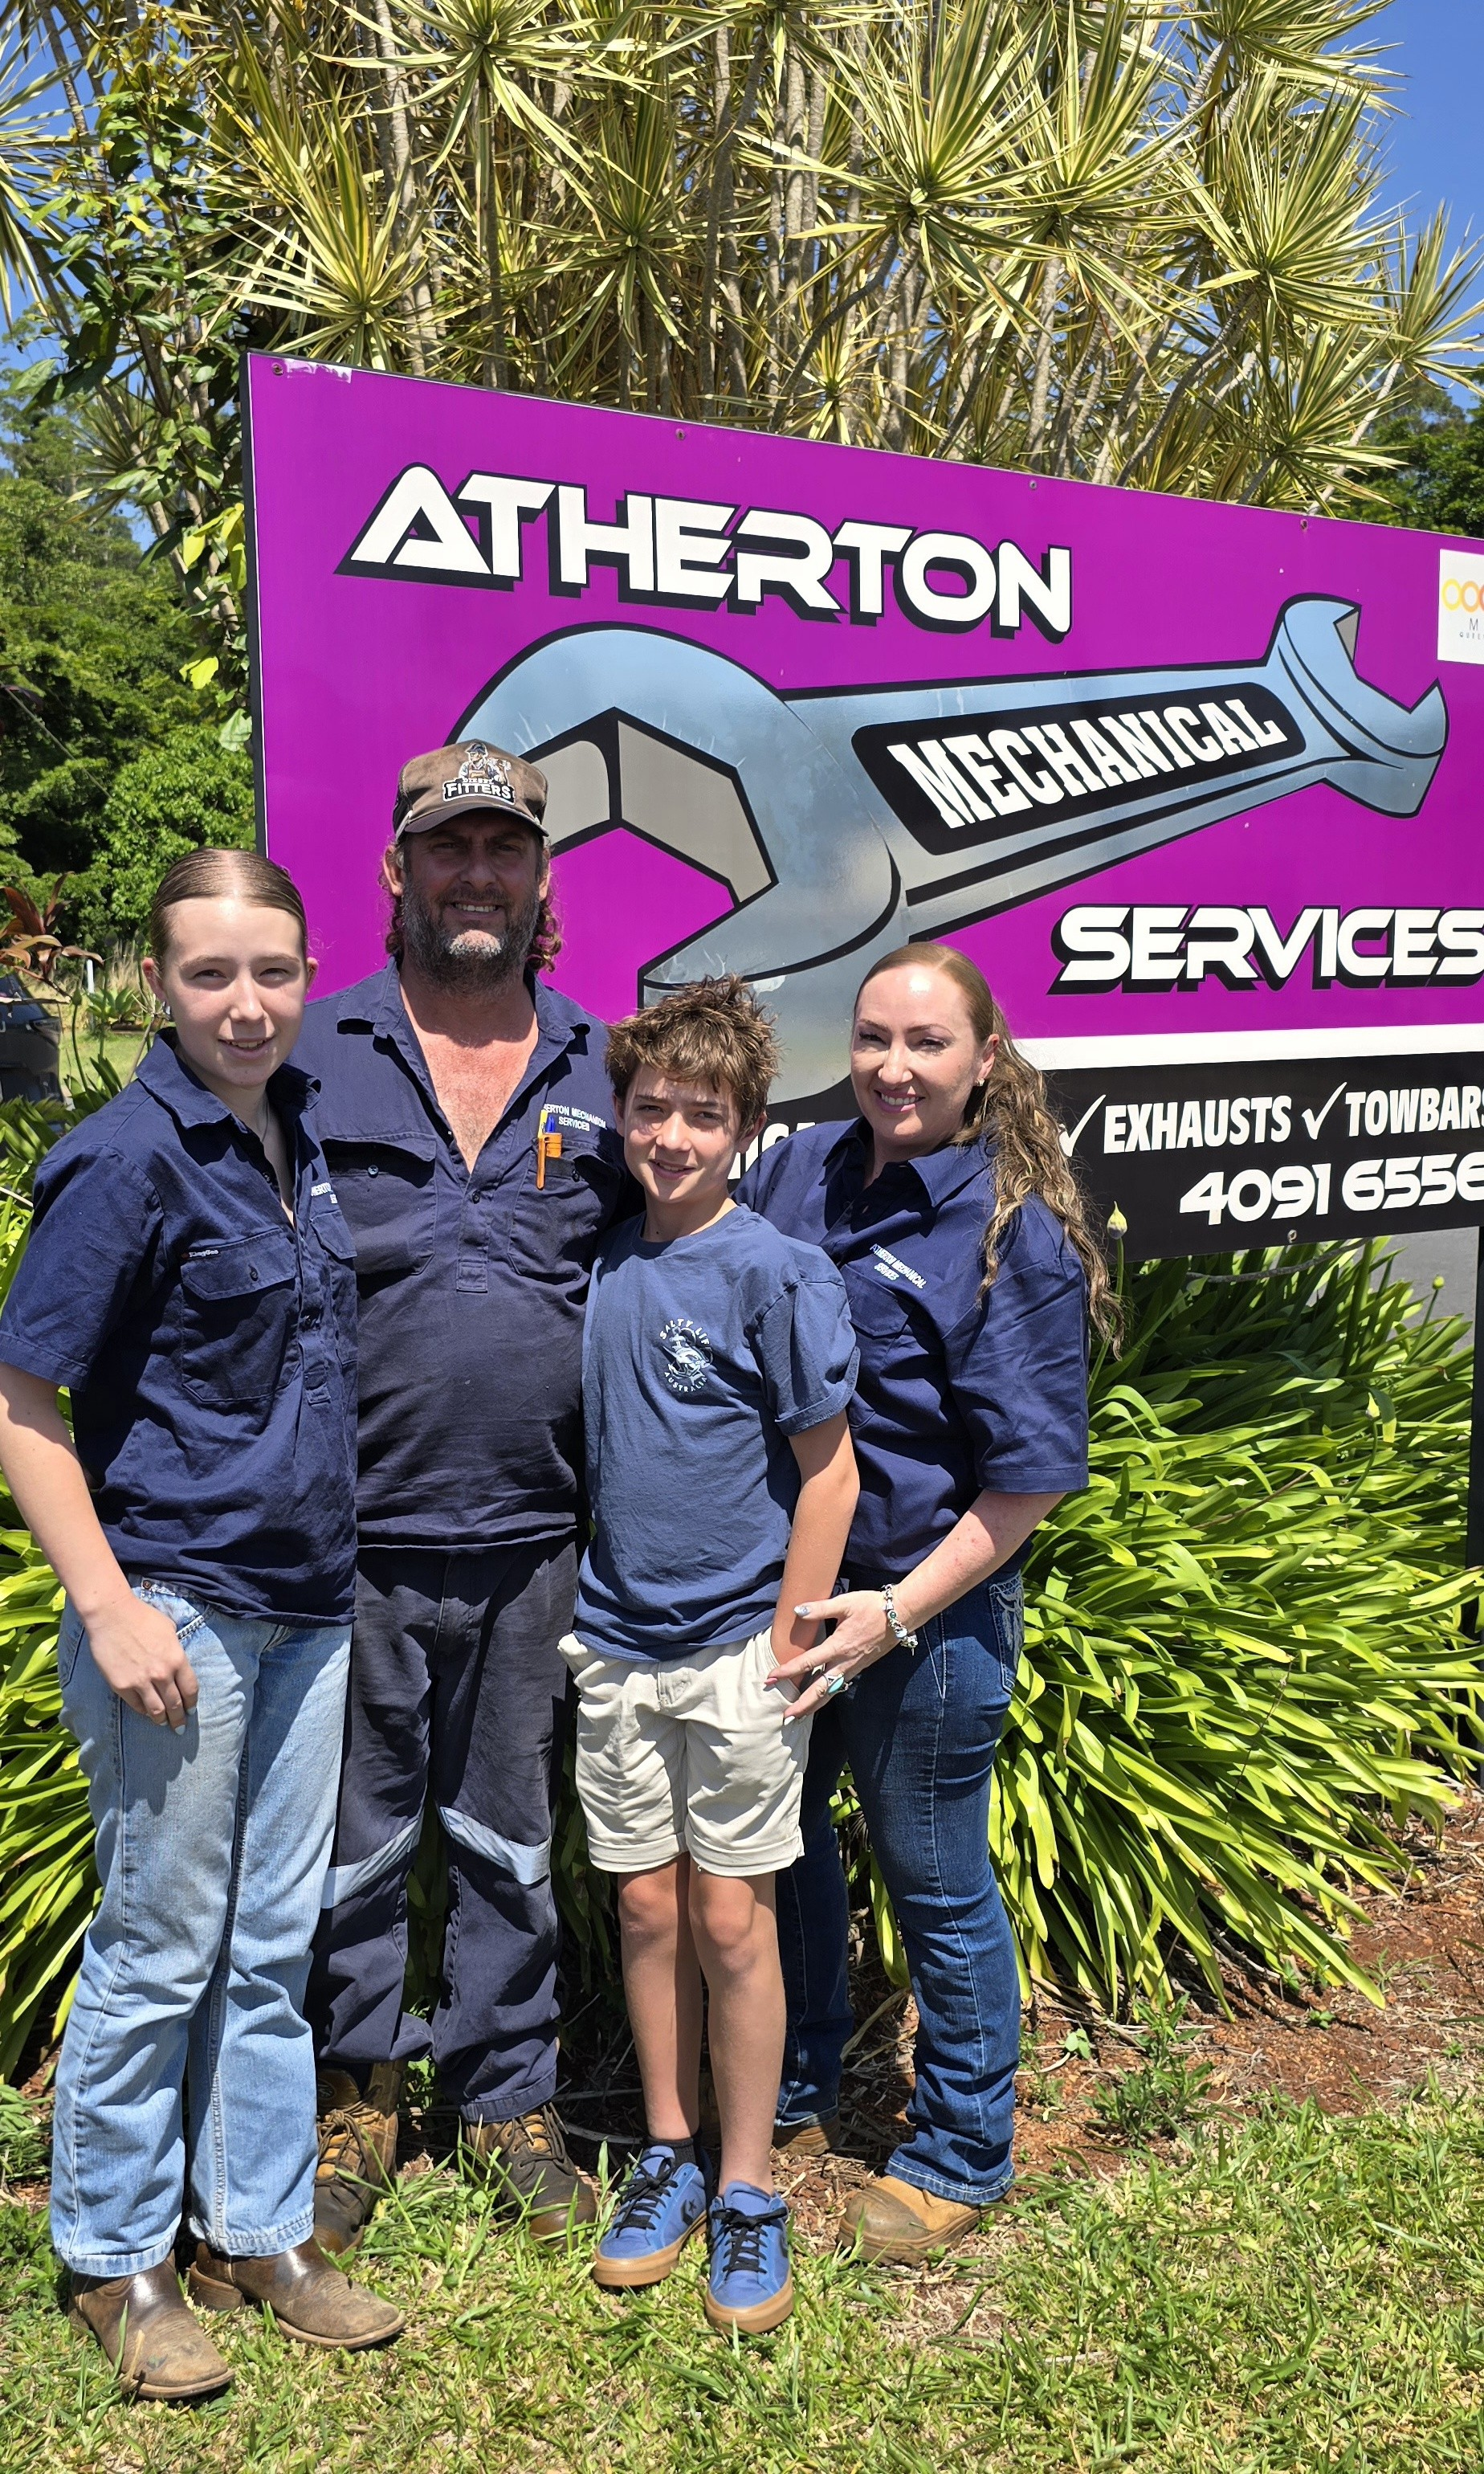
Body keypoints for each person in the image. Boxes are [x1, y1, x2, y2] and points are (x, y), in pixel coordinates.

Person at [0, 851, 403, 2403]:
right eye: (213, 975)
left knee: (270, 1939)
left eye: (275, 973)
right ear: (159, 986)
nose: (249, 1003)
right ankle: (114, 2255)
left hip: (309, 1602)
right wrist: (104, 1606)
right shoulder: (126, 1160)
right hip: (178, 1605)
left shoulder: (295, 1133)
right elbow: (24, 1398)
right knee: (163, 1942)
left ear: (309, 979)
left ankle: (261, 2227)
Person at [296, 740, 634, 2252]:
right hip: (351, 1538)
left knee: (508, 1834)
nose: (477, 876)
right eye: (450, 851)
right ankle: (358, 2088)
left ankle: (505, 2098)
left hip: (535, 1541)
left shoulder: (600, 1069)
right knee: (359, 1836)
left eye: (504, 850)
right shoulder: (314, 1056)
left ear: (542, 876)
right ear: (399, 872)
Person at [739, 942, 1111, 2263]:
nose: (895, 1067)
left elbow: (1023, 1491)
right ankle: (794, 2084)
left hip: (923, 1617)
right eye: (874, 1037)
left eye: (929, 1044)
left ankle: (960, 2149)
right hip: (788, 1594)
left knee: (935, 1881)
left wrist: (892, 1612)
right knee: (779, 1857)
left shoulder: (1012, 1233)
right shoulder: (801, 1169)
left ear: (984, 1062)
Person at [563, 979, 859, 2334]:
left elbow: (832, 1476)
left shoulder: (778, 1271)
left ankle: (749, 2187)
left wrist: (791, 1644)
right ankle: (667, 2157)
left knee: (733, 1917)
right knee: (645, 1908)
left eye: (704, 1113)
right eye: (651, 1108)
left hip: (739, 1648)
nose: (672, 1134)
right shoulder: (610, 1260)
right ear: (620, 1112)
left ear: (745, 1125)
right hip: (615, 1646)